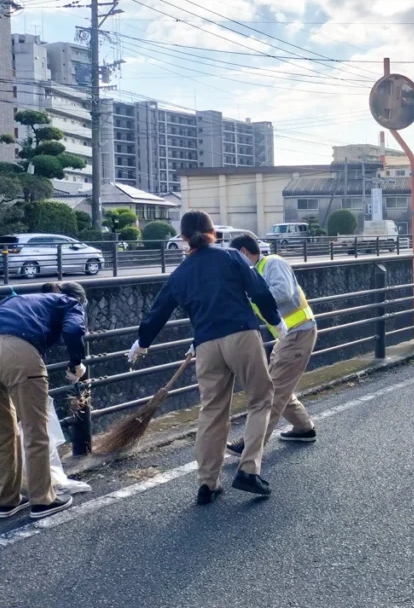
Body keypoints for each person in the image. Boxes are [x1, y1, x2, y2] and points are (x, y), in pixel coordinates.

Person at [129, 211, 284, 504]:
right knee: (260, 400)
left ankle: (207, 483)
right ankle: (249, 469)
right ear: (214, 232)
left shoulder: (180, 273)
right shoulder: (231, 257)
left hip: (205, 346)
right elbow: (259, 290)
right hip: (241, 334)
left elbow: (158, 311)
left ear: (184, 238)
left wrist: (142, 342)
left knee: (212, 411)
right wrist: (276, 321)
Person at [0, 282, 88, 519]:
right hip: (18, 352)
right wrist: (77, 363)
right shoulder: (70, 302)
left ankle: (6, 501)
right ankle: (43, 500)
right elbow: (74, 330)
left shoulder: (23, 298)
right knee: (36, 430)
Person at [225, 232, 317, 457]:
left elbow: (283, 293)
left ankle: (251, 444)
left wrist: (251, 298)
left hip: (298, 334)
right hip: (288, 337)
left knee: (271, 392)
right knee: (277, 387)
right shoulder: (255, 274)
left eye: (236, 257)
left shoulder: (273, 263)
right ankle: (304, 428)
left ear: (245, 252)